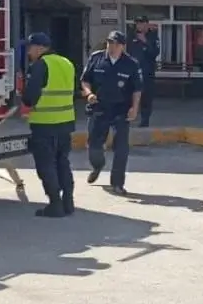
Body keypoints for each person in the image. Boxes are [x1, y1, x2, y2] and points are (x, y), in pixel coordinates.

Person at [20, 32, 77, 218]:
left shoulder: (40, 65)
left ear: (39, 48)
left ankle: (55, 204)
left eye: (30, 48)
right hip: (65, 123)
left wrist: (23, 97)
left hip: (44, 124)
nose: (28, 52)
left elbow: (30, 97)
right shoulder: (67, 63)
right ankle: (68, 202)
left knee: (46, 165)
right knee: (62, 163)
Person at [80, 30, 142, 196]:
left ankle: (117, 183)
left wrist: (134, 108)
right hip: (99, 108)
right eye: (109, 43)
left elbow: (137, 89)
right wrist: (89, 93)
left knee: (121, 148)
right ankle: (97, 166)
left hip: (121, 110)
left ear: (122, 46)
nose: (112, 47)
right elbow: (85, 80)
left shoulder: (131, 64)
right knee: (94, 145)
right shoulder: (96, 58)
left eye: (115, 44)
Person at [127, 16, 160, 127]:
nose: (139, 26)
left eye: (141, 23)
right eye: (137, 23)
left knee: (146, 97)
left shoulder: (153, 36)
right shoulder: (131, 36)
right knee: (131, 95)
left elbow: (155, 52)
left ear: (147, 24)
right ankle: (129, 117)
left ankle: (145, 120)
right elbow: (128, 52)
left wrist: (145, 41)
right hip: (134, 72)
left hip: (147, 72)